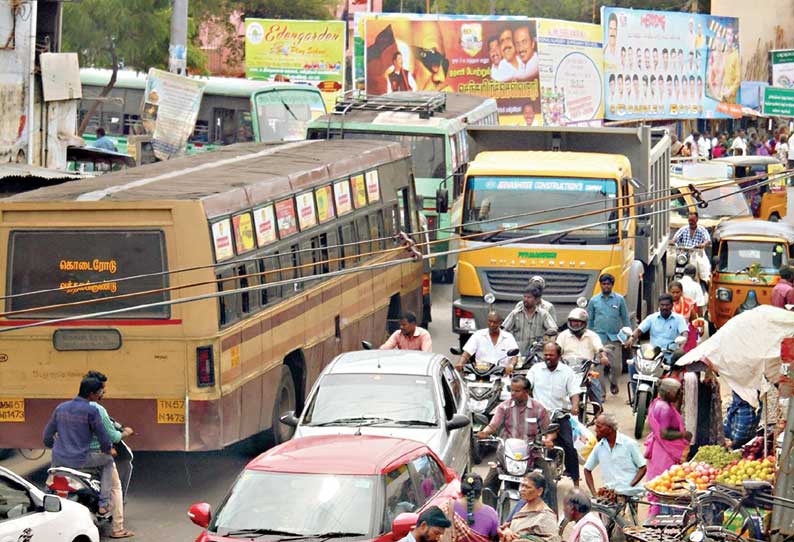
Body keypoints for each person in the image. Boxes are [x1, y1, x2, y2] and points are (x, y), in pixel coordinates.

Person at [42, 376, 115, 516]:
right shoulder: (92, 411)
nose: (101, 395)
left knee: (51, 476)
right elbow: (103, 437)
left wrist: (56, 447)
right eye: (100, 392)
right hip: (81, 460)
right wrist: (108, 450)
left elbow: (46, 436)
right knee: (108, 461)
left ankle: (43, 501)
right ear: (92, 394)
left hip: (59, 459)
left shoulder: (60, 408)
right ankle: (103, 504)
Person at [478, 376, 549, 500]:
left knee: (549, 484)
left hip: (532, 454)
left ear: (527, 392)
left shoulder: (539, 408)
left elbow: (548, 430)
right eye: (511, 390)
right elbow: (493, 425)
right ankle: (489, 516)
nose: (512, 393)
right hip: (506, 455)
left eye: (517, 391)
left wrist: (549, 439)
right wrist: (484, 432)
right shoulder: (503, 407)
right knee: (488, 484)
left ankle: (551, 515)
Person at [85, 371, 135, 539]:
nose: (103, 393)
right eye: (102, 390)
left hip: (69, 456)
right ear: (94, 392)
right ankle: (117, 527)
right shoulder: (98, 410)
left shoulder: (69, 407)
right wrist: (125, 432)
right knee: (115, 486)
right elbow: (112, 436)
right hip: (94, 455)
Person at [528, 342, 580, 487]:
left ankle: (575, 482)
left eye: (551, 355)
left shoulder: (567, 372)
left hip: (559, 415)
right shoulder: (535, 369)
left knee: (569, 446)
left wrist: (575, 406)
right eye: (545, 355)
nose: (548, 357)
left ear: (559, 356)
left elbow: (574, 392)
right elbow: (527, 385)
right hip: (538, 416)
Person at [646, 378, 691, 516]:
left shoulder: (659, 404)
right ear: (669, 393)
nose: (679, 395)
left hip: (659, 450)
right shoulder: (664, 408)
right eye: (677, 392)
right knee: (664, 485)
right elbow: (664, 433)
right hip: (664, 454)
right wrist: (684, 434)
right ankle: (660, 516)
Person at [587, 273, 631, 397]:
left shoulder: (619, 299)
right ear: (600, 285)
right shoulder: (594, 300)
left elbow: (625, 318)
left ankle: (613, 382)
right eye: (604, 284)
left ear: (612, 285)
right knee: (598, 367)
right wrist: (588, 337)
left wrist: (629, 336)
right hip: (598, 337)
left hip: (614, 338)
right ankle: (601, 393)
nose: (606, 286)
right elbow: (590, 320)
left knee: (616, 366)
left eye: (608, 284)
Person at [584, 414, 647, 496]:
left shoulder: (629, 444)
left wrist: (630, 486)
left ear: (610, 429)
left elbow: (643, 467)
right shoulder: (599, 447)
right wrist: (594, 493)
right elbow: (587, 469)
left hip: (631, 494)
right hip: (612, 494)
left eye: (599, 427)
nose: (596, 430)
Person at [556, 308, 609, 402]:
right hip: (567, 370)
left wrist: (603, 357)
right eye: (573, 322)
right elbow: (557, 350)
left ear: (584, 323)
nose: (575, 324)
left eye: (578, 322)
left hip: (587, 371)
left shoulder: (592, 335)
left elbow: (600, 348)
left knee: (595, 391)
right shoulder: (563, 335)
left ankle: (598, 412)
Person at [498, 472, 561, 542]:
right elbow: (507, 525)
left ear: (539, 491)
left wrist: (522, 540)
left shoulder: (546, 516)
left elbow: (553, 539)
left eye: (527, 487)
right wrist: (507, 531)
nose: (523, 489)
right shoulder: (521, 504)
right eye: (522, 486)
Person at [502, 285, 557, 357]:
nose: (526, 299)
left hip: (537, 353)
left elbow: (553, 329)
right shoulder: (515, 313)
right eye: (524, 297)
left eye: (529, 297)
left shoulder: (543, 314)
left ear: (536, 300)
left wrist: (546, 339)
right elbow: (504, 330)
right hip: (518, 353)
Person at [447, 473, 499, 542]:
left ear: (461, 490)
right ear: (480, 492)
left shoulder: (448, 508)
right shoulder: (491, 514)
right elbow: (495, 538)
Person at [673, 211, 712, 284]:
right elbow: (675, 239)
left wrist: (703, 245)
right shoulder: (683, 229)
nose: (691, 222)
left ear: (697, 220)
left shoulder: (702, 229)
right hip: (683, 254)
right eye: (690, 220)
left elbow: (708, 240)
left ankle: (705, 282)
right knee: (672, 261)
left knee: (704, 266)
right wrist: (672, 242)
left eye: (693, 220)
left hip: (697, 253)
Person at [669, 280, 698, 352]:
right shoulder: (665, 304)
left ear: (681, 292)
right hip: (670, 334)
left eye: (677, 292)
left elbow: (694, 320)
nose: (675, 295)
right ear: (668, 292)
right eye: (673, 293)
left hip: (686, 335)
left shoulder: (688, 303)